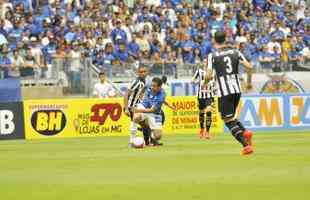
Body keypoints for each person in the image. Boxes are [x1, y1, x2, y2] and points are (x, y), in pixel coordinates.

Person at [206, 31, 254, 155]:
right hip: (237, 89)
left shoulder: (213, 55)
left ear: (214, 40)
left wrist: (205, 83)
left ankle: (246, 146)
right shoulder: (235, 52)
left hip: (224, 91)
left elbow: (209, 74)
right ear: (225, 39)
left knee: (227, 120)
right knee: (232, 116)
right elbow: (249, 67)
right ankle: (246, 133)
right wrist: (249, 82)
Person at [132, 77, 166, 146]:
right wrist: (140, 95)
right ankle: (132, 140)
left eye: (154, 86)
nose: (152, 87)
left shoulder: (161, 95)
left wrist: (138, 110)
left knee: (158, 136)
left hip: (154, 113)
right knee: (136, 117)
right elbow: (144, 87)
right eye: (152, 85)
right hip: (144, 106)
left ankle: (152, 138)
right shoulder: (149, 86)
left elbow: (152, 110)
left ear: (160, 87)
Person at [123, 65, 150, 145]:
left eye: (144, 71)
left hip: (137, 106)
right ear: (138, 73)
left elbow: (141, 93)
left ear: (147, 73)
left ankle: (146, 142)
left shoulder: (144, 82)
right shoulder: (136, 82)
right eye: (141, 72)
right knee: (138, 121)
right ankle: (132, 141)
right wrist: (126, 108)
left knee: (145, 125)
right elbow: (126, 94)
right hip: (131, 107)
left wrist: (142, 100)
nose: (143, 73)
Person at [192, 66, 214, 139]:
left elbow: (216, 82)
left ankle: (207, 132)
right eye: (205, 63)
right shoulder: (199, 72)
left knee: (208, 111)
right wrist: (197, 82)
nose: (206, 65)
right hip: (201, 96)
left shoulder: (214, 72)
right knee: (201, 113)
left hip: (209, 96)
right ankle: (202, 129)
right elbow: (192, 80)